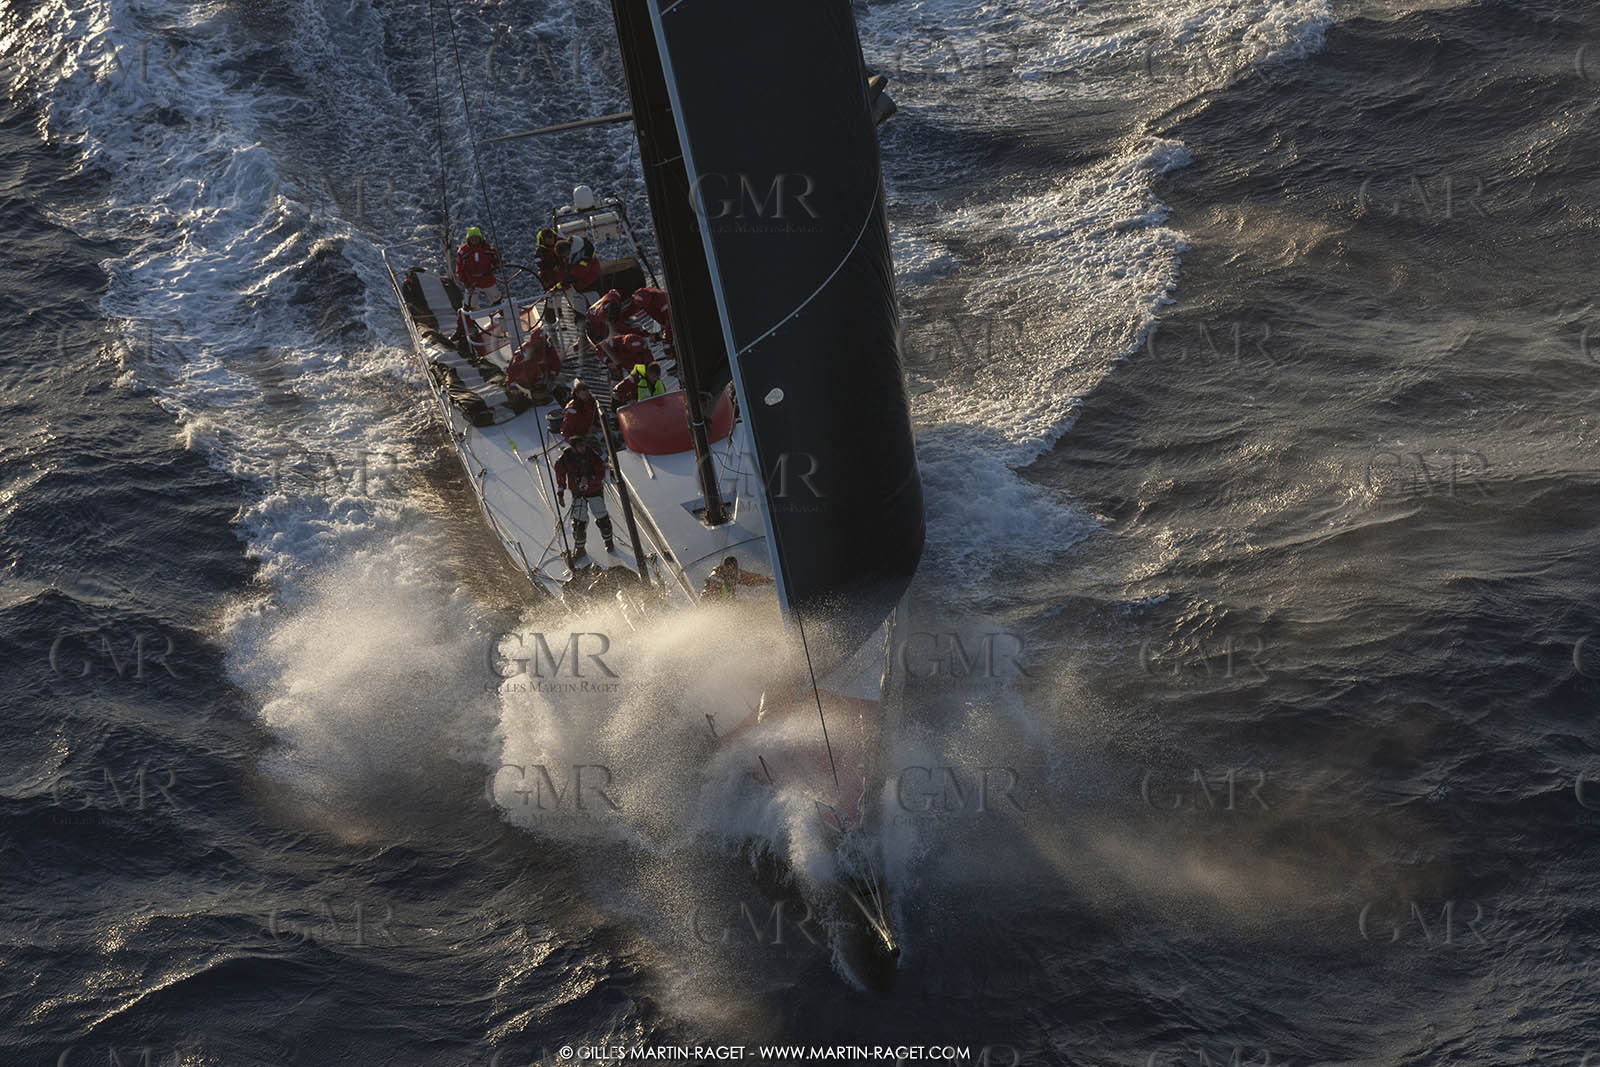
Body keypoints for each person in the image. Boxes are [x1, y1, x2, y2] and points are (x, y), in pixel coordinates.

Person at [554, 434, 614, 560]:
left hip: (594, 490)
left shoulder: (592, 456)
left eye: (584, 445)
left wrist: (590, 479)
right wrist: (560, 493)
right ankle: (580, 549)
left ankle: (609, 542)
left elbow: (601, 472)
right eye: (580, 446)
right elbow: (560, 476)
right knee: (579, 523)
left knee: (602, 517)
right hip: (578, 493)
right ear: (573, 448)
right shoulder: (564, 460)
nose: (583, 448)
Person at [505, 327, 561, 396]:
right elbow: (512, 369)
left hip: (542, 379)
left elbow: (556, 363)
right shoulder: (523, 352)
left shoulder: (548, 348)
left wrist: (552, 377)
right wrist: (511, 385)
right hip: (526, 382)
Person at [454, 226, 502, 305]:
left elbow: (495, 260)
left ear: (481, 238)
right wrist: (467, 284)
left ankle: (505, 315)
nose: (474, 240)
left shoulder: (488, 248)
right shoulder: (463, 251)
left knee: (498, 301)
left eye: (476, 238)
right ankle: (467, 316)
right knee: (469, 305)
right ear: (468, 239)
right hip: (472, 283)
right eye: (472, 238)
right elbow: (459, 269)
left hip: (488, 280)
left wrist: (498, 264)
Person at [701, 556, 775, 600]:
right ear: (726, 566)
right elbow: (712, 592)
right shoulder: (716, 576)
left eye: (734, 569)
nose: (734, 571)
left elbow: (750, 579)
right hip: (713, 604)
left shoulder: (733, 573)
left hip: (723, 605)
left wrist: (768, 581)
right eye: (732, 568)